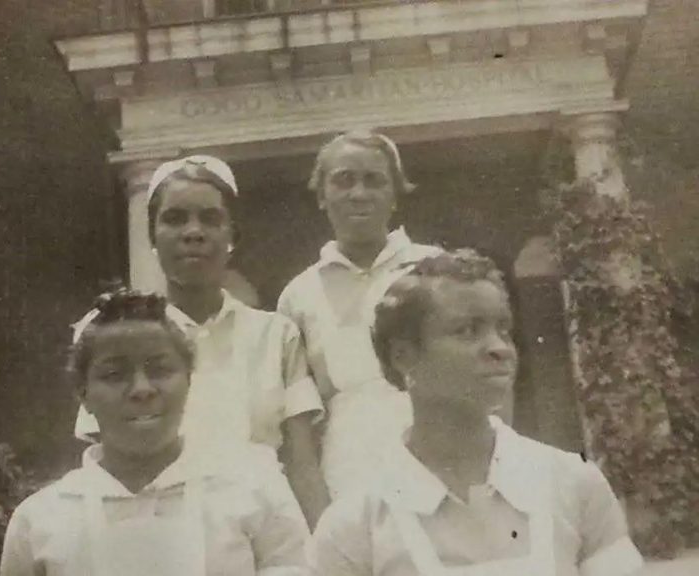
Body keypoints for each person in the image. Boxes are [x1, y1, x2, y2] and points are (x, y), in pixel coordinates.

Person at [309, 250, 644, 576]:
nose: (499, 348)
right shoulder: (356, 524)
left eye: (503, 330)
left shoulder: (573, 484)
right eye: (467, 330)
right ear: (403, 356)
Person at [74, 155, 329, 528]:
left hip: (263, 529)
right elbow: (96, 460)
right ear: (152, 237)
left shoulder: (276, 335)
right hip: (157, 525)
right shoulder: (112, 333)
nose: (193, 232)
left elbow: (303, 468)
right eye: (175, 219)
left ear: (232, 237)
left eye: (210, 219)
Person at [0, 289, 309, 576]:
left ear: (188, 380)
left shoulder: (255, 493)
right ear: (83, 394)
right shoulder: (40, 520)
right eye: (114, 375)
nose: (142, 389)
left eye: (160, 369)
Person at [278, 130, 441, 498]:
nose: (359, 194)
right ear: (322, 196)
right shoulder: (299, 295)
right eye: (343, 180)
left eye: (375, 181)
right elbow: (299, 429)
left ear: (395, 195)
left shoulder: (435, 268)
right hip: (349, 476)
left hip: (437, 463)